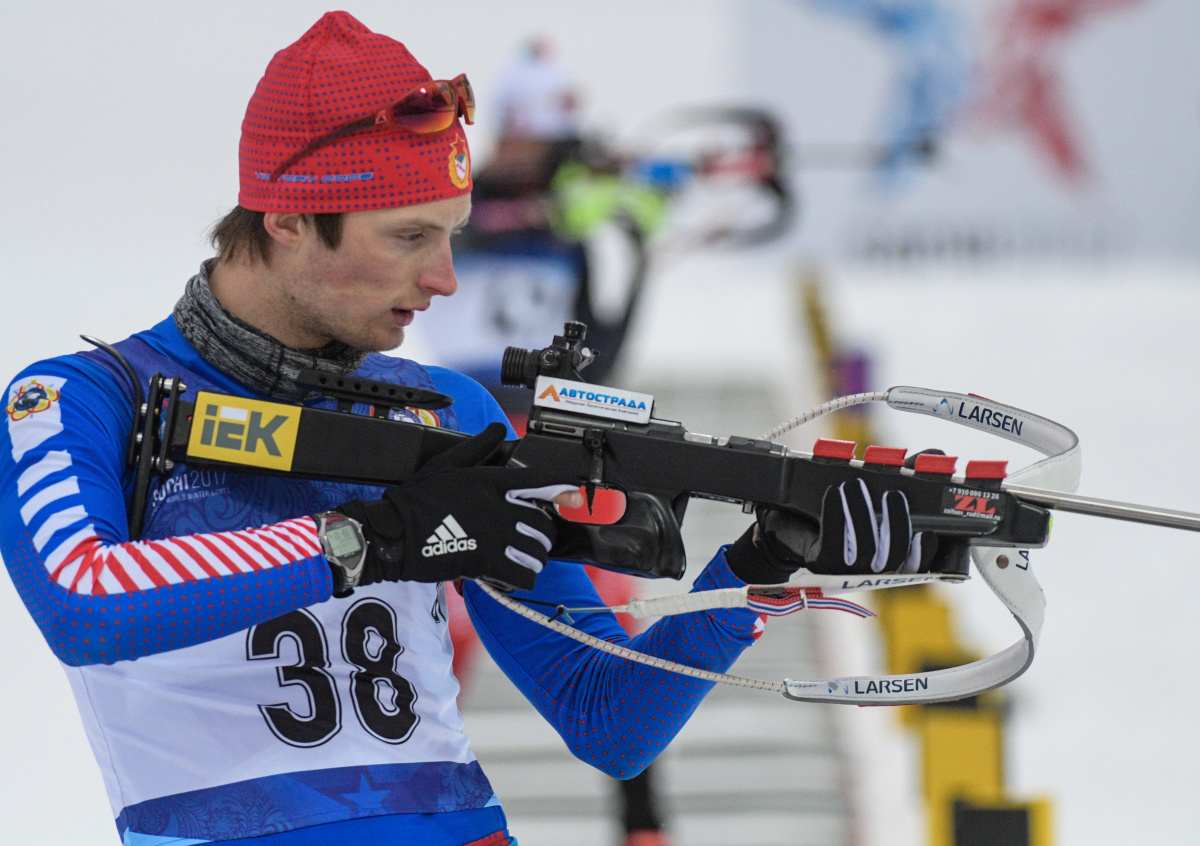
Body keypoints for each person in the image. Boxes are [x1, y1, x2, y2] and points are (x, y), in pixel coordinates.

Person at [0, 13, 957, 846]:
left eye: (451, 233)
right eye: (409, 236)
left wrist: (756, 568)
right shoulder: (82, 399)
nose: (445, 278)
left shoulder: (447, 413)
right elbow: (85, 604)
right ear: (288, 217)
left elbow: (608, 716)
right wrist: (380, 537)